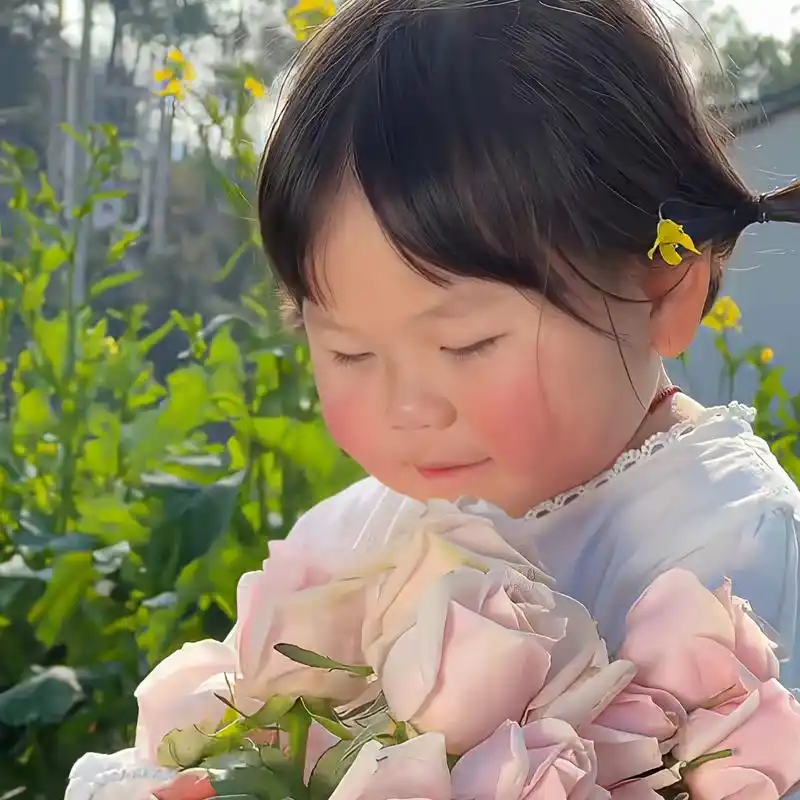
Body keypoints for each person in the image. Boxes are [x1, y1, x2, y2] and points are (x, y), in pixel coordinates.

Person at [66, 0, 800, 796]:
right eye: (349, 352)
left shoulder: (731, 562)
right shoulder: (353, 536)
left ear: (663, 292)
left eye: (466, 345)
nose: (408, 409)